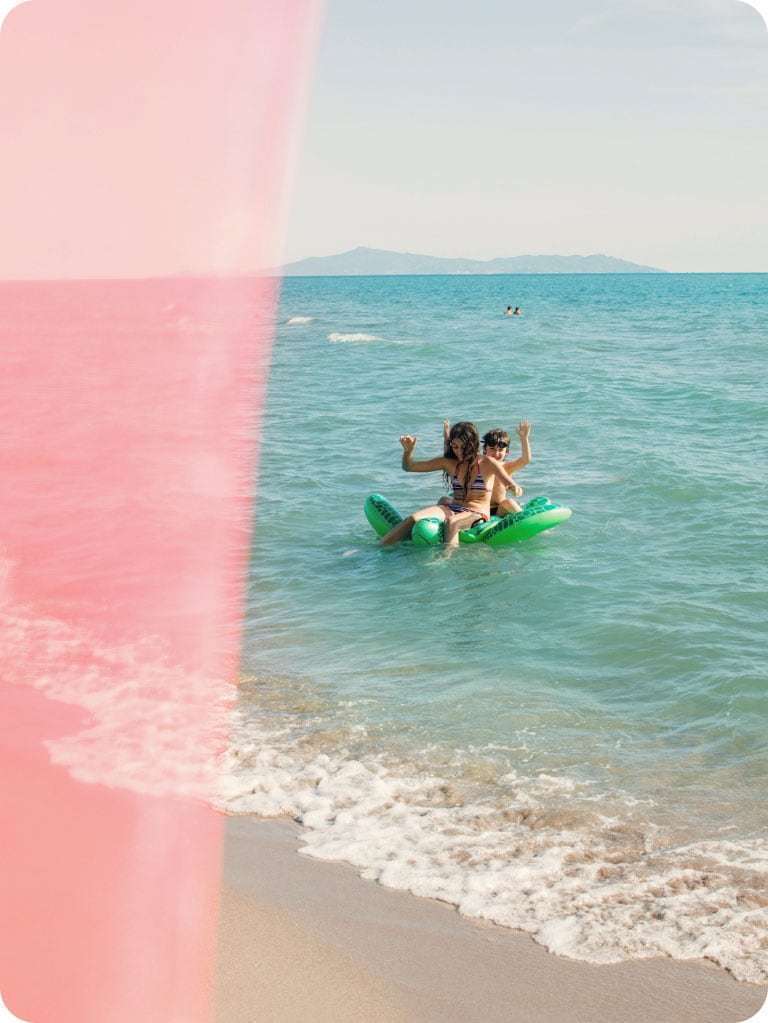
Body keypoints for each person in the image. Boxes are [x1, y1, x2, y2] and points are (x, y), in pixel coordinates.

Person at [377, 421, 517, 548]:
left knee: (452, 523)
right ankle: (379, 547)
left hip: (477, 513)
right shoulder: (449, 463)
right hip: (453, 507)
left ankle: (448, 559)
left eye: (463, 447)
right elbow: (409, 467)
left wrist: (514, 488)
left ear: (473, 444)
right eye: (455, 447)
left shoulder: (487, 463)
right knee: (413, 519)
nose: (459, 451)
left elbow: (508, 481)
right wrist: (408, 452)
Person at [439, 419, 531, 515]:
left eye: (500, 450)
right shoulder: (479, 464)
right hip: (476, 508)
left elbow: (525, 460)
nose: (496, 453)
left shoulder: (507, 467)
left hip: (498, 509)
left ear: (506, 451)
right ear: (484, 449)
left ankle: (527, 520)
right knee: (444, 499)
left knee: (509, 502)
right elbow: (450, 460)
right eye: (492, 449)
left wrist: (524, 438)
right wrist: (446, 439)